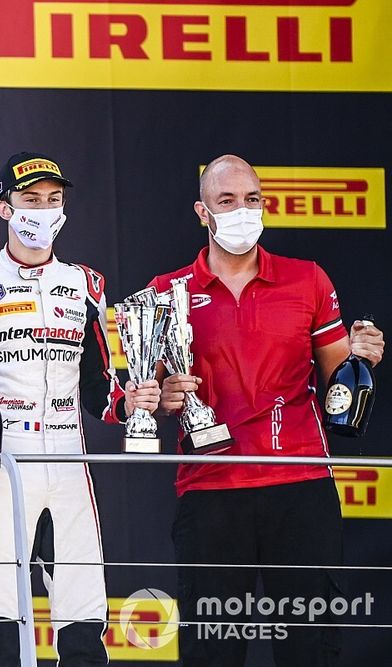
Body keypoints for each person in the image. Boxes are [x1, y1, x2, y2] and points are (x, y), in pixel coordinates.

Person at [150, 155, 384, 666]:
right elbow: (151, 397)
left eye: (252, 199)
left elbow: (339, 387)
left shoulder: (308, 280)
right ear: (202, 211)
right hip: (211, 490)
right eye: (227, 200)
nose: (242, 210)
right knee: (212, 650)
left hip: (299, 488)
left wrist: (360, 358)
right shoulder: (166, 292)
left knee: (311, 648)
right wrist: (162, 399)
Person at [0, 152, 160, 666]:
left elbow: (103, 389)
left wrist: (135, 404)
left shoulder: (87, 284)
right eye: (30, 200)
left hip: (68, 454)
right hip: (3, 456)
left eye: (53, 200)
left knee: (83, 603)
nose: (44, 210)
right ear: (4, 209)